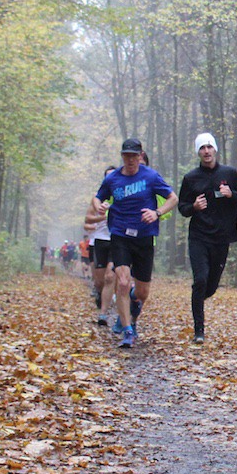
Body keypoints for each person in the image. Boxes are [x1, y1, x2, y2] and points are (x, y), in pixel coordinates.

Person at [91, 138, 178, 348]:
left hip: (144, 237)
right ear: (122, 156)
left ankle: (132, 300)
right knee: (122, 281)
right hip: (120, 235)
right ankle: (127, 331)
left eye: (134, 156)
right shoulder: (113, 178)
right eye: (126, 156)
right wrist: (99, 206)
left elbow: (173, 198)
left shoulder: (151, 176)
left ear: (140, 156)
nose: (130, 160)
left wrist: (156, 213)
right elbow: (97, 197)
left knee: (142, 292)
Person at [178, 133, 237, 344]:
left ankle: (197, 300)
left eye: (209, 147)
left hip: (222, 238)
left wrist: (231, 194)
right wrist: (194, 207)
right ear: (198, 152)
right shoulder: (191, 178)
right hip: (199, 237)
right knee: (200, 280)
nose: (206, 151)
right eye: (202, 148)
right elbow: (182, 207)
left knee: (210, 287)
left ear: (215, 150)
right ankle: (199, 330)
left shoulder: (229, 173)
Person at [85, 166, 117, 328]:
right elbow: (88, 219)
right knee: (99, 281)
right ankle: (100, 294)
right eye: (108, 176)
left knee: (110, 276)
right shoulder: (98, 197)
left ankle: (103, 313)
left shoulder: (122, 194)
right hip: (99, 240)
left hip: (117, 239)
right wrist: (101, 218)